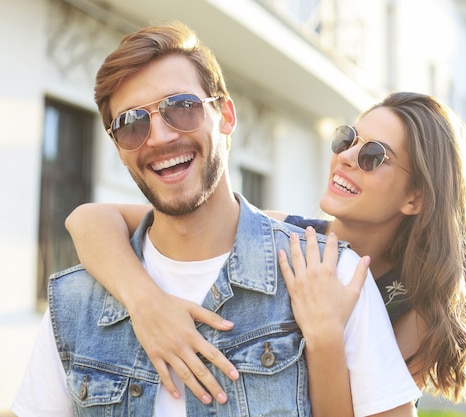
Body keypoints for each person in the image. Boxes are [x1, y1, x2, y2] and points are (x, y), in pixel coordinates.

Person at [12, 21, 420, 417]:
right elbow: (88, 218)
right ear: (119, 148)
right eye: (131, 124)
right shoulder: (75, 303)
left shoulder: (333, 278)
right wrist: (144, 300)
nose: (158, 137)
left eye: (181, 107)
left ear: (225, 115)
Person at [63, 90, 466, 406]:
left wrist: (324, 334)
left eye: (374, 156)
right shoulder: (283, 238)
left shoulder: (416, 306)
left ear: (414, 198)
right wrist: (147, 303)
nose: (347, 157)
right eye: (348, 139)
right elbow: (88, 219)